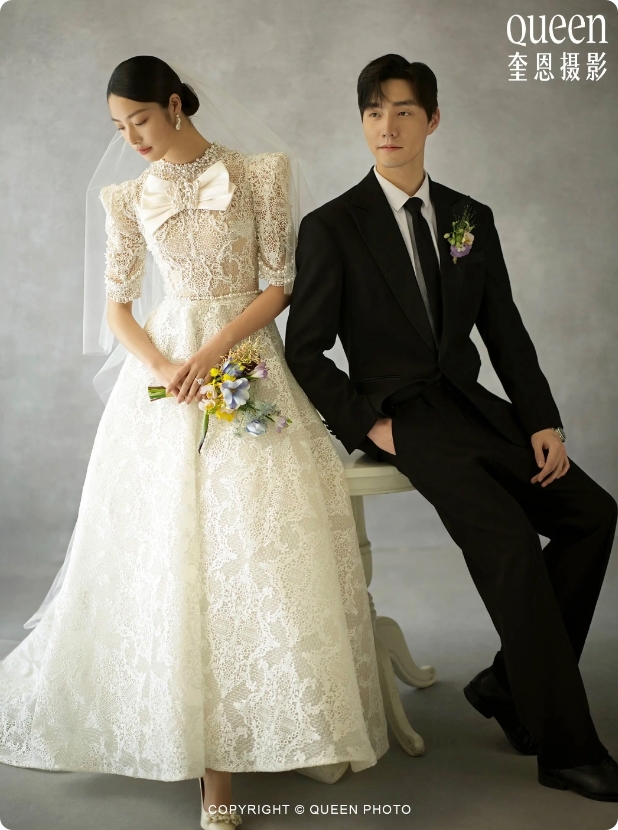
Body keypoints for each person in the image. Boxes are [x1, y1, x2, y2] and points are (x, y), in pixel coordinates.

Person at [0, 56, 389, 830]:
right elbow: (117, 307)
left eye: (140, 120)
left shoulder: (260, 172)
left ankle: (276, 727)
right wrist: (163, 365)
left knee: (256, 548)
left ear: (174, 105)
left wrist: (213, 352)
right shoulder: (125, 197)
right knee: (168, 552)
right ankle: (195, 752)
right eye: (119, 127)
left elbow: (279, 285)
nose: (130, 138)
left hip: (245, 362)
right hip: (166, 377)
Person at [285, 53, 618, 801]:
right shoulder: (332, 227)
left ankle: (507, 684)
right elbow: (304, 351)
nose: (387, 126)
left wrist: (542, 420)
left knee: (592, 514)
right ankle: (567, 748)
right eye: (374, 112)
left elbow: (505, 329)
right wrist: (372, 426)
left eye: (403, 111)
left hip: (474, 406)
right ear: (362, 122)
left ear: (432, 120)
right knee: (511, 547)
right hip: (406, 419)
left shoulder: (468, 218)